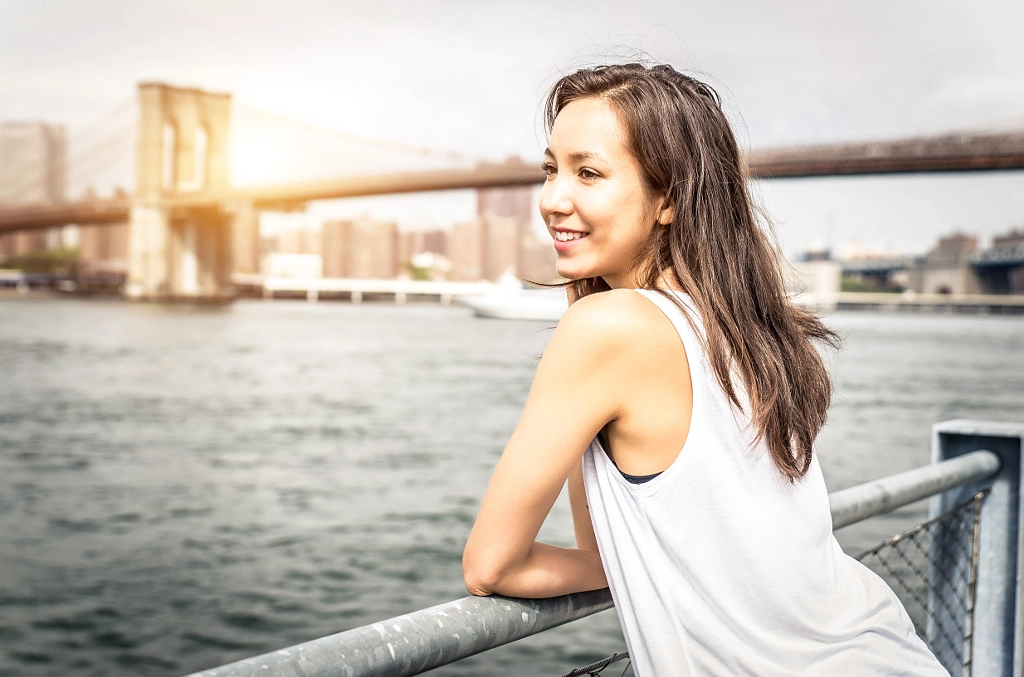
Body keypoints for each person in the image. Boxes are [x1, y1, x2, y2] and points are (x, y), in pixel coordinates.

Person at [461, 63, 949, 676]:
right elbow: (608, 546)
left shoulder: (606, 328)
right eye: (551, 169)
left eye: (588, 173)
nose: (553, 199)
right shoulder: (744, 329)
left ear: (669, 198)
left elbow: (492, 566)